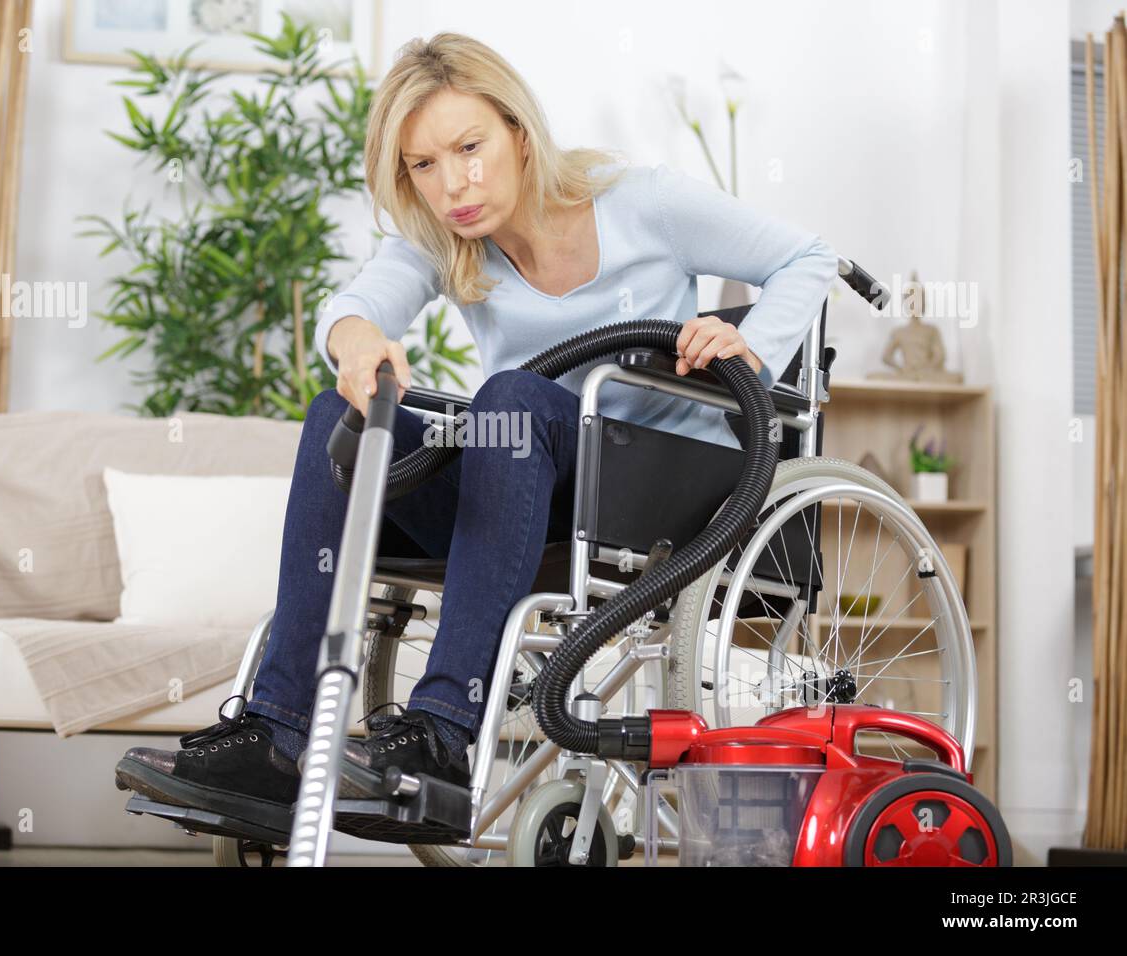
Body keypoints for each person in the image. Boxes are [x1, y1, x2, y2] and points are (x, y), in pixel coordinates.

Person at [114, 31, 838, 837]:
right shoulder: (445, 234)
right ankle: (275, 736)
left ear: (519, 134)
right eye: (424, 165)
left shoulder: (643, 201)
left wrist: (752, 346)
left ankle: (440, 734)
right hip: (518, 477)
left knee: (512, 397)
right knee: (339, 417)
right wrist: (357, 350)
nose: (454, 183)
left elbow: (809, 256)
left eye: (469, 147)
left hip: (645, 482)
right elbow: (356, 305)